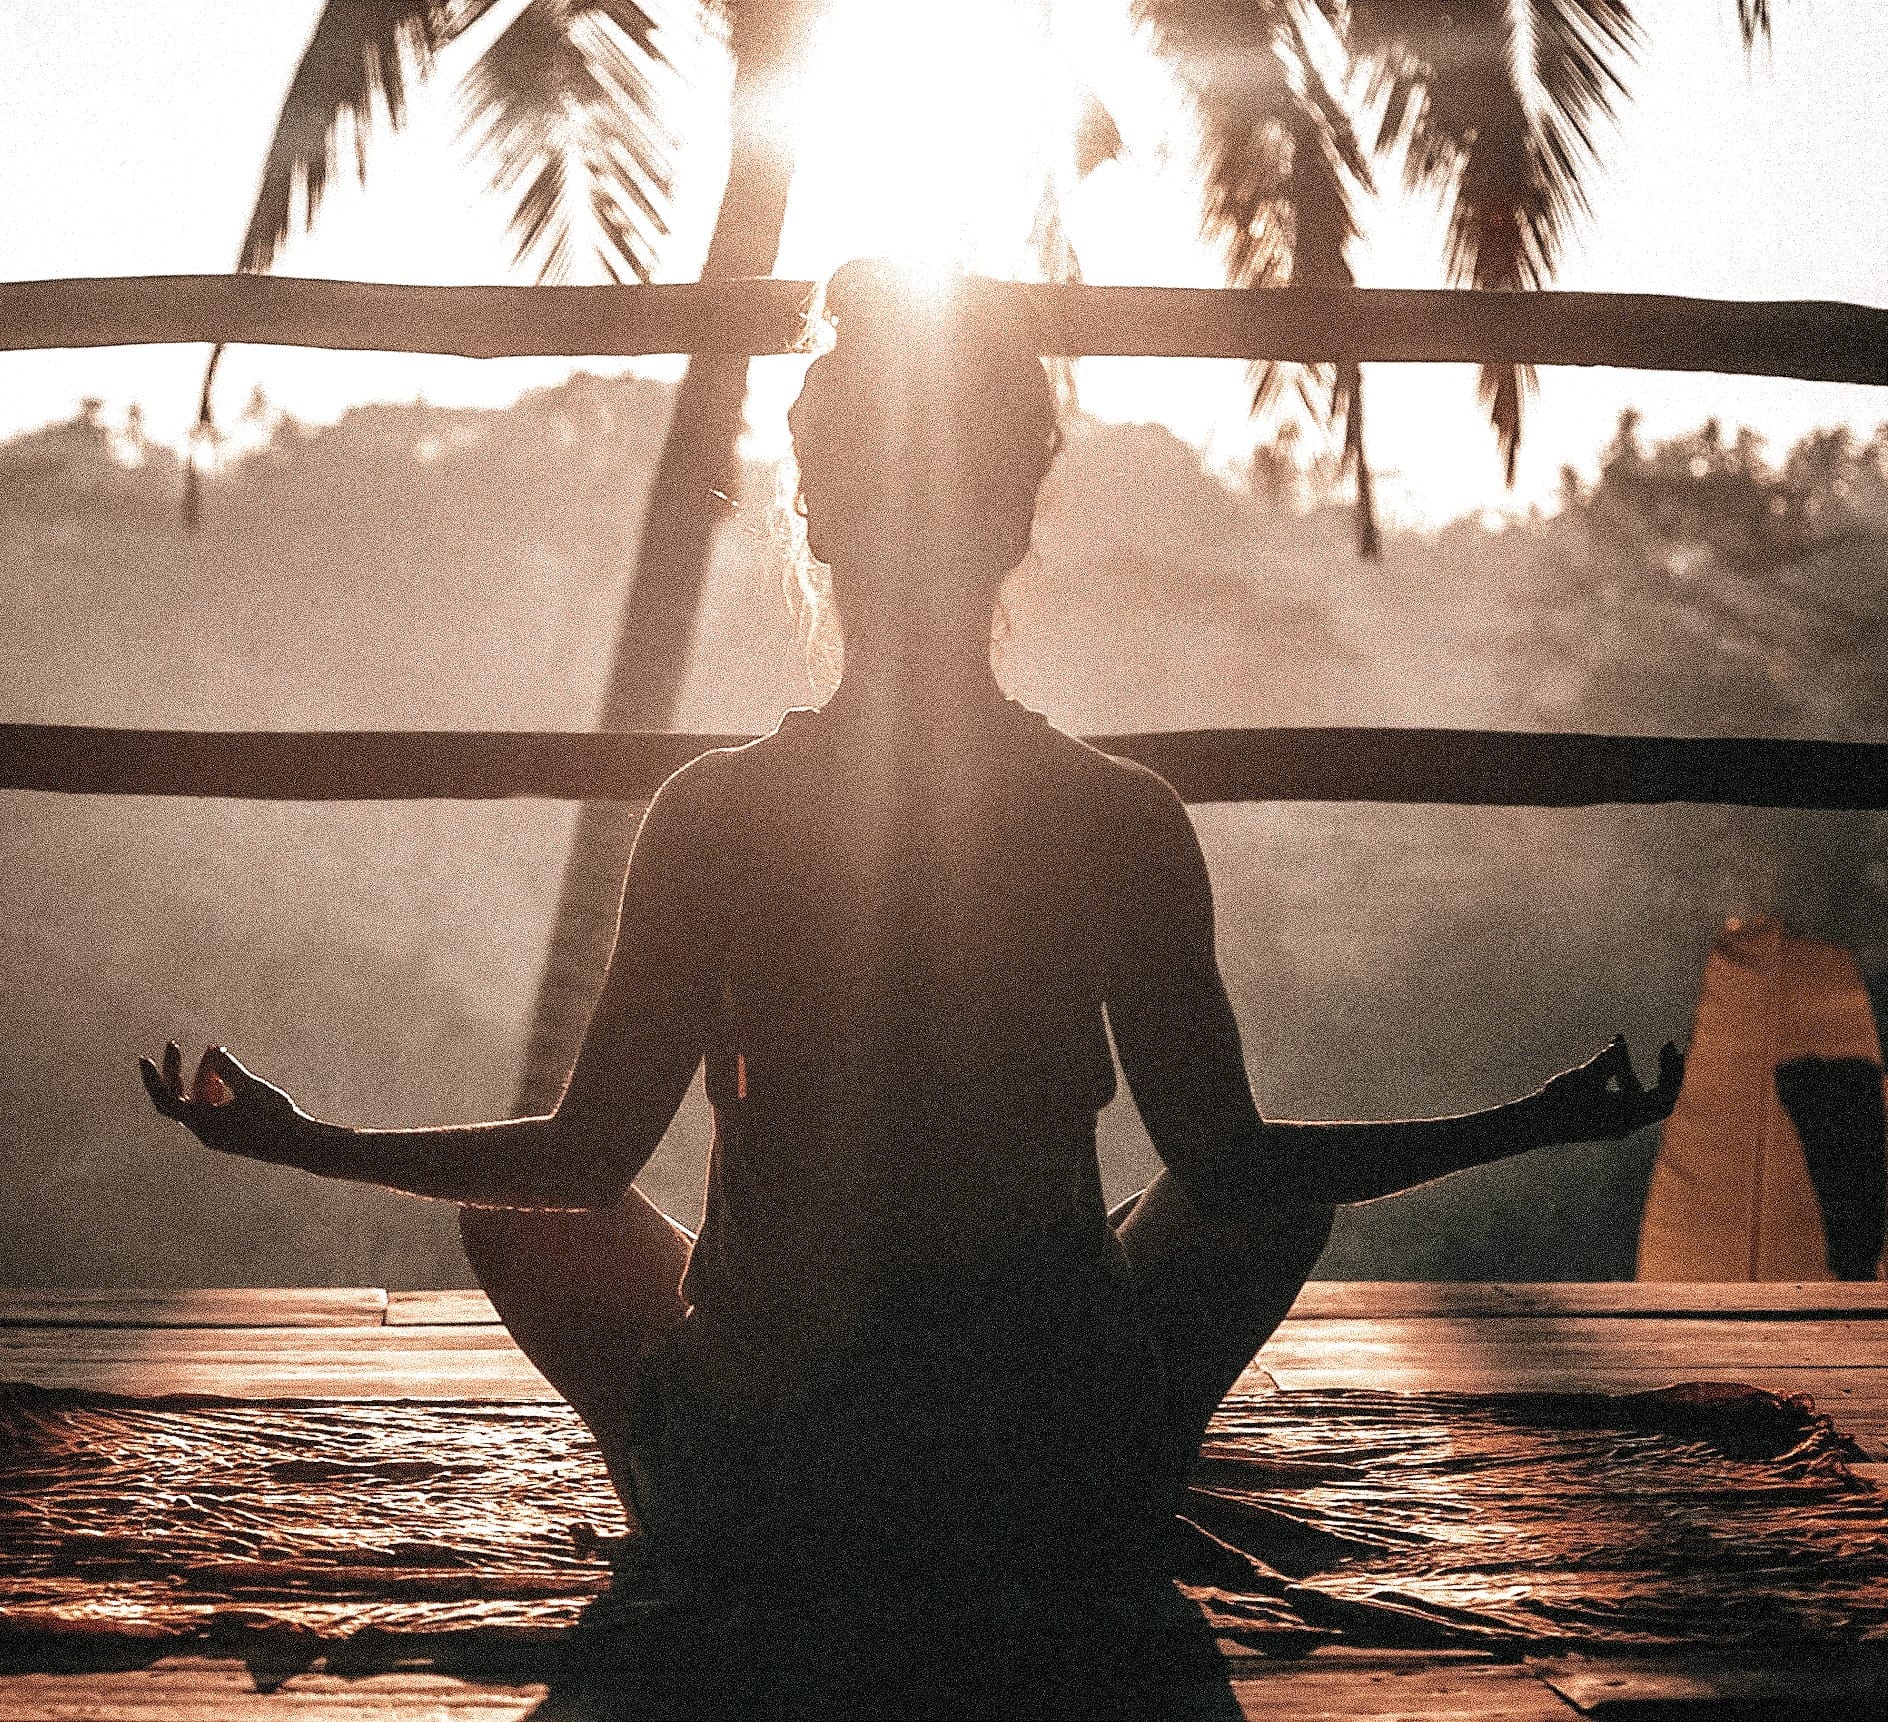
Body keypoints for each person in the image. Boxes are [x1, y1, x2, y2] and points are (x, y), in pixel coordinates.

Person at [142, 260, 1681, 1631]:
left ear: (815, 511)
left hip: (779, 1487)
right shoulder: (1117, 815)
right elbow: (1234, 1164)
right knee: (1253, 1202)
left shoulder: (715, 815)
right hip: (1049, 1481)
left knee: (517, 1220)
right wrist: (1530, 1120)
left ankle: (700, 1525)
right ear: (1015, 516)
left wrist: (301, 1139)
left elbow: (577, 1153)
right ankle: (1114, 1487)